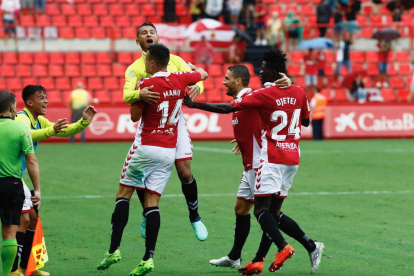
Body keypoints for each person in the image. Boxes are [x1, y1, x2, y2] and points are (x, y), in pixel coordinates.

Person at [184, 49, 324, 275]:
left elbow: (229, 108)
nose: (259, 71)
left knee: (264, 211)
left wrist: (193, 104)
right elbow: (304, 120)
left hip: (267, 160)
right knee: (246, 209)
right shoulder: (297, 92)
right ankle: (237, 257)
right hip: (287, 157)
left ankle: (280, 249)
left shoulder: (259, 95)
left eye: (263, 68)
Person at [97, 44, 209, 276]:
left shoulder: (147, 84)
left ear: (151, 62)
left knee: (123, 194)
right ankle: (148, 258)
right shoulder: (180, 79)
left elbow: (134, 116)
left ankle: (113, 250)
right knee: (152, 203)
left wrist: (140, 95)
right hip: (168, 151)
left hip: (146, 146)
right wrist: (193, 69)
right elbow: (203, 74)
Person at [122, 22, 208, 242]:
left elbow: (196, 76)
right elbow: (126, 95)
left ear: (157, 37)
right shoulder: (135, 68)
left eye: (152, 32)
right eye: (144, 33)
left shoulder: (175, 60)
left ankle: (195, 216)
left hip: (175, 121)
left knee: (185, 172)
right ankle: (146, 211)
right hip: (151, 125)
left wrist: (200, 88)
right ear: (138, 41)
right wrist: (139, 95)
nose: (148, 34)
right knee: (142, 174)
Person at [10, 85, 97, 276]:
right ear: (30, 102)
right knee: (24, 220)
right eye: (41, 98)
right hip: (10, 176)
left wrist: (83, 122)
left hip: (17, 176)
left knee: (31, 220)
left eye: (46, 97)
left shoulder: (39, 119)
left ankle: (26, 268)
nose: (46, 101)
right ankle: (15, 269)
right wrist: (51, 131)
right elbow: (26, 134)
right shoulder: (21, 118)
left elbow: (63, 131)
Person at [0, 90, 41, 276]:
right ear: (11, 108)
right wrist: (38, 189)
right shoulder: (21, 129)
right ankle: (8, 273)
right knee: (9, 233)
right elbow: (31, 161)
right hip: (10, 185)